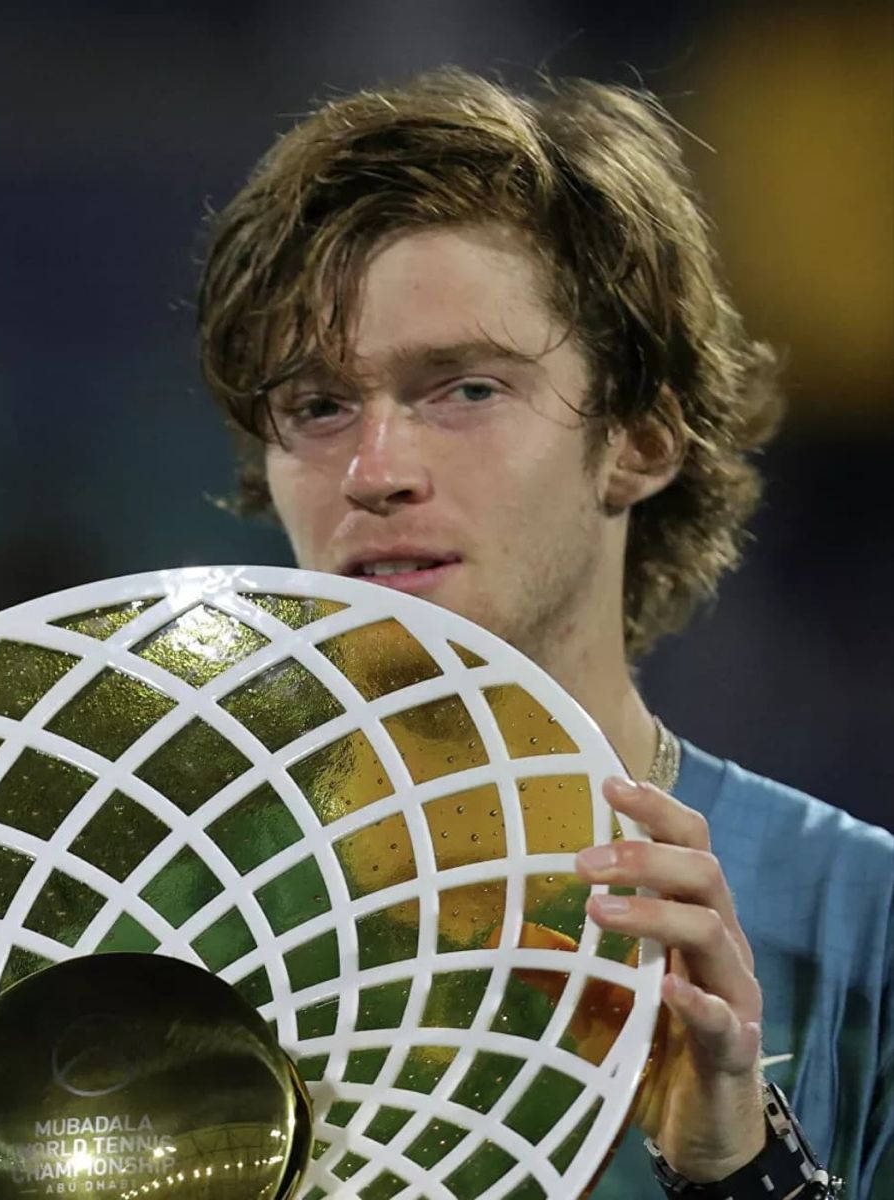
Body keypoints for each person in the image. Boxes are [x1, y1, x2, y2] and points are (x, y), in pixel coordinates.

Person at [195, 68, 892, 1199]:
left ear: (643, 441)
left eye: (464, 389)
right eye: (318, 407)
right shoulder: (128, 911)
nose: (376, 472)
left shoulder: (864, 926)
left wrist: (739, 1175)